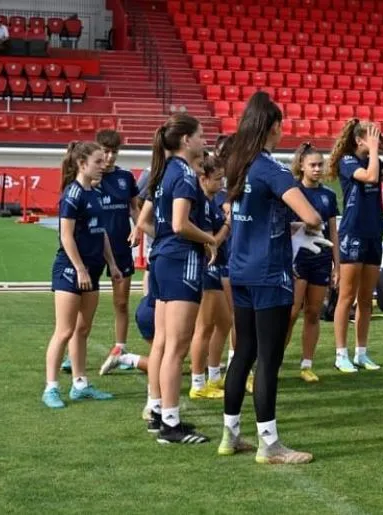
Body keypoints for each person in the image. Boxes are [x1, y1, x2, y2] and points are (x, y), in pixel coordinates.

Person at [221, 92, 322, 463]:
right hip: (269, 274)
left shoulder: (237, 163)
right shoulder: (270, 168)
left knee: (243, 351)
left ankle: (230, 435)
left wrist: (284, 222)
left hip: (241, 269)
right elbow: (312, 216)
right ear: (273, 127)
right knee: (268, 359)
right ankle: (269, 443)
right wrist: (301, 223)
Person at [145, 113, 213, 444]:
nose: (204, 140)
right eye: (200, 135)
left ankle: (157, 412)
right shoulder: (184, 175)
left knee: (162, 342)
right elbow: (179, 224)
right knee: (176, 346)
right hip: (180, 259)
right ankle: (170, 423)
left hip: (161, 258)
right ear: (186, 140)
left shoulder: (166, 172)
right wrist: (210, 239)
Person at [42, 141, 121, 409]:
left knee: (82, 329)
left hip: (93, 270)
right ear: (82, 163)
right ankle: (51, 387)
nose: (103, 165)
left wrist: (112, 263)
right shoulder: (72, 195)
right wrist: (79, 268)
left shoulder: (96, 193)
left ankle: (80, 384)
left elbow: (102, 233)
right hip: (70, 270)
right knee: (64, 330)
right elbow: (65, 235)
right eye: (98, 162)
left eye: (103, 161)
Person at [330, 119, 383, 373]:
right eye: (371, 136)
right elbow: (371, 177)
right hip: (353, 234)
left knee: (366, 298)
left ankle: (361, 352)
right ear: (359, 140)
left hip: (374, 234)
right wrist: (374, 150)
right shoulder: (348, 161)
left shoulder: (374, 159)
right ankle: (341, 354)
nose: (375, 139)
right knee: (347, 296)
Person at [92, 129, 145, 376]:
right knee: (84, 305)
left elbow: (135, 210)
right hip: (91, 247)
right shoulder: (88, 177)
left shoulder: (126, 177)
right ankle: (74, 352)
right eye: (105, 151)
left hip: (121, 247)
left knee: (121, 303)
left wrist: (140, 230)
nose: (110, 157)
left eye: (114, 152)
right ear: (98, 150)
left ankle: (120, 349)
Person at [286, 142, 340, 383]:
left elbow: (333, 231)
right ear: (302, 166)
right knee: (291, 312)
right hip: (297, 260)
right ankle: (273, 359)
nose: (318, 169)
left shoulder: (328, 195)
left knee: (313, 312)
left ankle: (307, 364)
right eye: (313, 165)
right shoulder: (292, 192)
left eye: (320, 164)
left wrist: (337, 264)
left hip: (321, 259)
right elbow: (285, 228)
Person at [187, 153, 232, 400]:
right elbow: (210, 242)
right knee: (204, 328)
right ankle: (198, 382)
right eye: (217, 179)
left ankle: (214, 376)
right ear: (203, 179)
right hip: (206, 269)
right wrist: (228, 224)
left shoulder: (210, 203)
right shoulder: (201, 204)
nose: (221, 184)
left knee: (224, 323)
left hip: (216, 268)